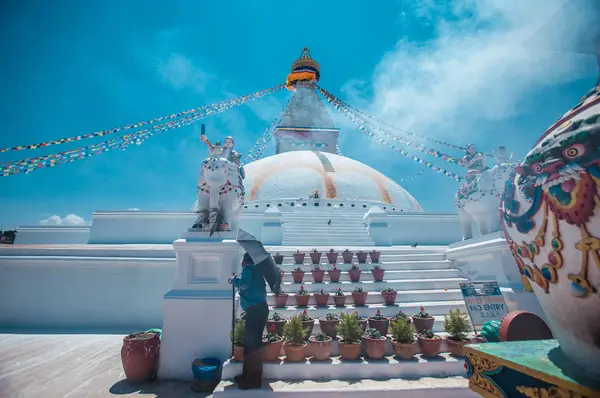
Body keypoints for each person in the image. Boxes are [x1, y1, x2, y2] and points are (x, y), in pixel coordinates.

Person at [230, 253, 268, 390]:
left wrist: (234, 281)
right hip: (259, 310)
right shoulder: (258, 270)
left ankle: (253, 380)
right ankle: (246, 375)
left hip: (255, 311)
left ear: (244, 261)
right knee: (250, 344)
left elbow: (244, 284)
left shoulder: (248, 269)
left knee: (253, 346)